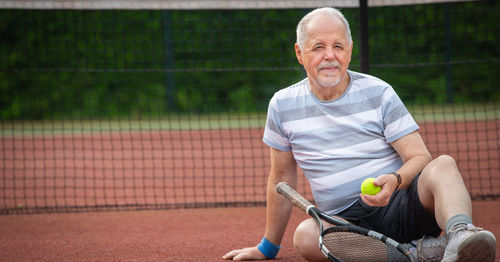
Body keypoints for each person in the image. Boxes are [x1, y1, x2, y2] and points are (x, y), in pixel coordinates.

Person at [223, 7, 496, 262]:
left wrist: (395, 180)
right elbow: (281, 178)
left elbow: (419, 156)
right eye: (318, 47)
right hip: (347, 225)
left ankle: (461, 236)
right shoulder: (281, 105)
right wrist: (267, 248)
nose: (330, 55)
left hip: (402, 203)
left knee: (443, 164)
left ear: (349, 51)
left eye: (338, 46)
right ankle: (416, 254)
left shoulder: (379, 92)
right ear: (299, 52)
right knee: (306, 236)